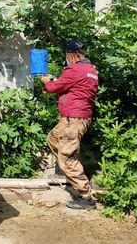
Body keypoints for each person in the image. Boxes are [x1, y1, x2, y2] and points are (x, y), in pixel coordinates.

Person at [41, 40, 99, 210]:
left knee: (67, 156)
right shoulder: (90, 70)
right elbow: (72, 87)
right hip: (76, 118)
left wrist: (46, 81)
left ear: (72, 55)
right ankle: (66, 171)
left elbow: (54, 88)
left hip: (73, 119)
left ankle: (86, 197)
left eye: (67, 55)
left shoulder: (74, 69)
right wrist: (56, 82)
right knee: (53, 138)